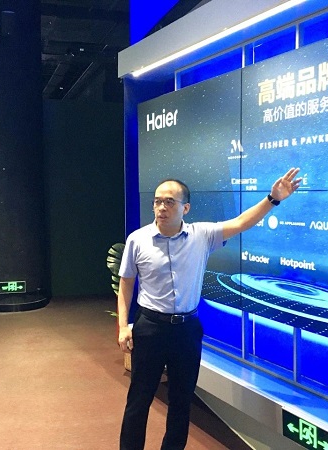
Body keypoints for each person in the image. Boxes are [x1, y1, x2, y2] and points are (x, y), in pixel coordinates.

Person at [118, 168, 302, 450]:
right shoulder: (137, 239)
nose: (161, 207)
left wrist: (272, 199)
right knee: (139, 401)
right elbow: (126, 283)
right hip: (150, 328)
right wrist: (123, 326)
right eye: (157, 201)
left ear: (185, 208)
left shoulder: (202, 235)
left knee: (181, 401)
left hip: (186, 331)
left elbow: (241, 222)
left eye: (169, 201)